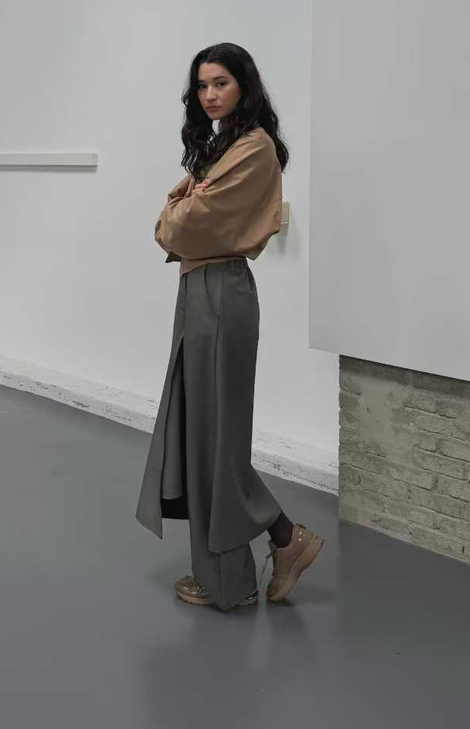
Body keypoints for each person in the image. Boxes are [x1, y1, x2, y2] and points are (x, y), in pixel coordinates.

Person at [135, 42, 324, 611]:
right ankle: (263, 554)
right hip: (201, 290)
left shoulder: (253, 148)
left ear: (244, 85)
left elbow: (179, 226)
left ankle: (252, 565)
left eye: (221, 83)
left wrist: (180, 204)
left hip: (220, 292)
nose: (210, 94)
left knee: (215, 441)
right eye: (202, 85)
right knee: (204, 436)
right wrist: (184, 203)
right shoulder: (225, 146)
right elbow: (184, 217)